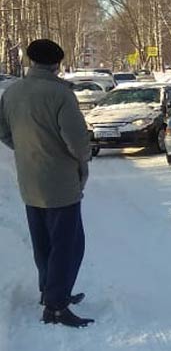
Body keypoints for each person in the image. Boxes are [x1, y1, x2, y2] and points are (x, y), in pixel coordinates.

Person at [0, 39, 94, 328]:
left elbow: (3, 131)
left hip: (30, 178)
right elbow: (77, 140)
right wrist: (83, 159)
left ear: (31, 61)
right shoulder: (60, 94)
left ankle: (50, 290)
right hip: (61, 182)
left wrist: (26, 150)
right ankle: (56, 306)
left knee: (43, 243)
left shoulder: (12, 92)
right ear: (56, 64)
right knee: (69, 245)